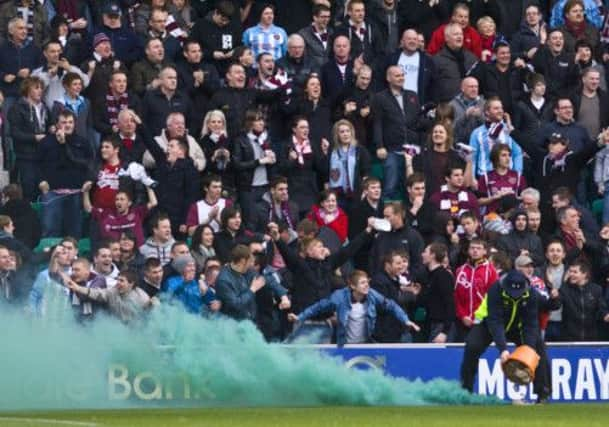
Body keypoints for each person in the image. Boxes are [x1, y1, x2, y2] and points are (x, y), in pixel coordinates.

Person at [460, 269, 550, 403]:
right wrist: (503, 349)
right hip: (488, 324)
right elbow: (495, 321)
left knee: (538, 348)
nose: (515, 296)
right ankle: (465, 391)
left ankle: (542, 394)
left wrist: (528, 350)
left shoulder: (532, 293)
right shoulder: (495, 289)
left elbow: (530, 324)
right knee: (472, 346)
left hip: (517, 327)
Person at [288, 269, 420, 347]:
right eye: (363, 283)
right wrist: (300, 317)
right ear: (352, 286)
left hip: (366, 345)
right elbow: (318, 307)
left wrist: (405, 320)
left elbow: (391, 305)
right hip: (345, 346)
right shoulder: (339, 297)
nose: (367, 285)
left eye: (367, 282)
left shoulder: (372, 295)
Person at [373, 65, 426, 200]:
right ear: (388, 78)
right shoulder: (380, 97)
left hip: (414, 149)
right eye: (397, 75)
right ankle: (386, 217)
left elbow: (419, 120)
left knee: (416, 187)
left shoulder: (412, 95)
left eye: (402, 75)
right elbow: (377, 123)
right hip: (393, 149)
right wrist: (379, 146)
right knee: (390, 186)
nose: (401, 78)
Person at [279, 116, 329, 218]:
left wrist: (324, 153)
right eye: (302, 127)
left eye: (307, 127)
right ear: (294, 129)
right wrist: (291, 160)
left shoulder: (312, 145)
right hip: (293, 191)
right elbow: (280, 170)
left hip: (309, 191)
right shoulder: (286, 145)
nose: (306, 130)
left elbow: (321, 169)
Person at [64, 269, 152, 323]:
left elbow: (149, 316)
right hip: (115, 329)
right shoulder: (112, 292)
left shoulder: (142, 297)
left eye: (122, 281)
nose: (118, 283)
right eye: (118, 280)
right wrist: (78, 288)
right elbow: (96, 293)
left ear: (131, 283)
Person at [469, 97, 523, 180]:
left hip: (508, 178)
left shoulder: (509, 131)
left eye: (501, 108)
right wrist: (472, 178)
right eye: (496, 108)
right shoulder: (477, 133)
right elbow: (472, 157)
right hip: (484, 178)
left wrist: (517, 174)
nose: (500, 111)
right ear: (487, 112)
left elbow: (517, 154)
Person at [454, 238, 497, 341]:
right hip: (462, 321)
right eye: (472, 248)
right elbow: (456, 296)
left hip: (483, 321)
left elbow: (493, 297)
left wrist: (478, 317)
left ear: (484, 251)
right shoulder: (460, 270)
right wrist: (463, 315)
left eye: (478, 248)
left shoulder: (491, 271)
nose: (475, 251)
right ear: (468, 250)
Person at [368, 202, 425, 275]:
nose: (385, 219)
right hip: (382, 282)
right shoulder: (381, 235)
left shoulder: (413, 236)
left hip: (404, 281)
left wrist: (408, 279)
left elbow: (418, 262)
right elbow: (373, 258)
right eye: (384, 216)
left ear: (398, 215)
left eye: (388, 216)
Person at [215, 244, 266, 322]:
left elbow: (264, 279)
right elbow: (236, 304)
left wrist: (283, 295)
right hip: (234, 325)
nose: (251, 265)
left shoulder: (245, 270)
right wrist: (252, 289)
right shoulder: (223, 280)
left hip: (250, 320)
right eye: (250, 261)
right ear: (242, 261)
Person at [190, 0, 241, 76]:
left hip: (228, 69)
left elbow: (240, 45)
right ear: (216, 12)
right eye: (222, 20)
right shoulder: (200, 25)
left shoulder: (234, 27)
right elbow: (191, 47)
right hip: (207, 68)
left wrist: (234, 52)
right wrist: (212, 54)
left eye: (227, 21)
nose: (224, 23)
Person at [430, 22, 478, 102]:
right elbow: (433, 87)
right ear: (447, 38)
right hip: (447, 107)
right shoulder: (437, 60)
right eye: (456, 34)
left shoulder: (472, 58)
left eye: (461, 34)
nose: (459, 37)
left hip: (470, 105)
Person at [420, 243, 456, 343]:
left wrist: (444, 332)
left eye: (425, 252)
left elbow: (450, 303)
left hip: (441, 326)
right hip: (432, 324)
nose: (422, 254)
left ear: (433, 255)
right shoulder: (430, 275)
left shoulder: (443, 276)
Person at [298, 3, 333, 69]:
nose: (326, 20)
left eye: (328, 17)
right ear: (315, 17)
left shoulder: (332, 32)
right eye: (323, 17)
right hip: (312, 73)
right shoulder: (303, 34)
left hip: (328, 73)